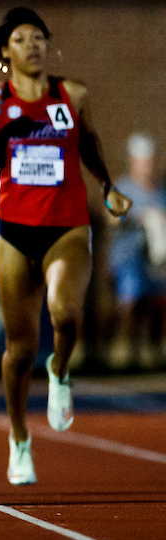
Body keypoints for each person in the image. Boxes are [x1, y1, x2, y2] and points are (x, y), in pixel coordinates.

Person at [0, 7, 131, 485]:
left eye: (39, 37)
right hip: (14, 229)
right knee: (18, 349)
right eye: (21, 38)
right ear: (4, 52)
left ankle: (60, 369)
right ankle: (18, 440)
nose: (33, 45)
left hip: (67, 225)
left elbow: (90, 144)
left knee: (66, 313)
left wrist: (107, 186)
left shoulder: (70, 94)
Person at [106, 133, 166, 370]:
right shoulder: (123, 188)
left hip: (153, 260)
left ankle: (154, 351)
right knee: (130, 300)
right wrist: (136, 218)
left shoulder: (159, 193)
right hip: (127, 258)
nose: (146, 166)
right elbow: (110, 217)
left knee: (158, 301)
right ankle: (122, 351)